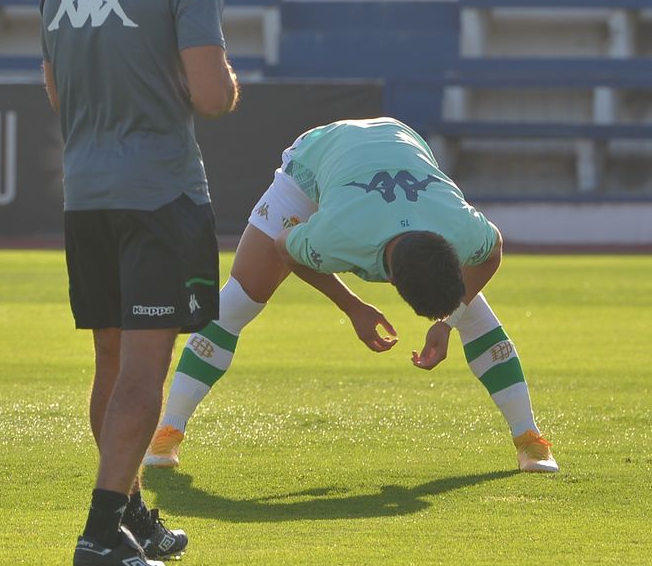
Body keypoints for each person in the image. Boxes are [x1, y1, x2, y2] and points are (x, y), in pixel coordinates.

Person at [146, 116, 559, 474]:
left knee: (472, 311)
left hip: (399, 141)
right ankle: (166, 433)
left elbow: (493, 250)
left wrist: (448, 321)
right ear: (389, 280)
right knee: (241, 297)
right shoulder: (339, 234)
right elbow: (284, 247)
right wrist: (353, 306)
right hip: (314, 162)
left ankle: (530, 439)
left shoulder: (462, 228)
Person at [40, 0, 239, 566]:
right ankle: (100, 531)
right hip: (160, 191)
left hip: (86, 191)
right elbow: (212, 96)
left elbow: (56, 91)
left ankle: (130, 517)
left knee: (111, 360)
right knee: (145, 370)